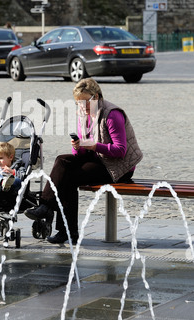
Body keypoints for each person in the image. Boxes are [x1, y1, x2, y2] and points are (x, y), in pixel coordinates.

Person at [24, 78, 143, 244]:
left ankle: (54, 216)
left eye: (86, 102)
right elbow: (80, 153)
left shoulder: (112, 114)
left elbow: (120, 151)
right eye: (78, 103)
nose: (82, 107)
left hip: (119, 167)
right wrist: (77, 146)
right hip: (98, 160)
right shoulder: (83, 114)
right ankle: (58, 221)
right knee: (62, 161)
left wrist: (95, 146)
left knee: (68, 177)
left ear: (96, 97)